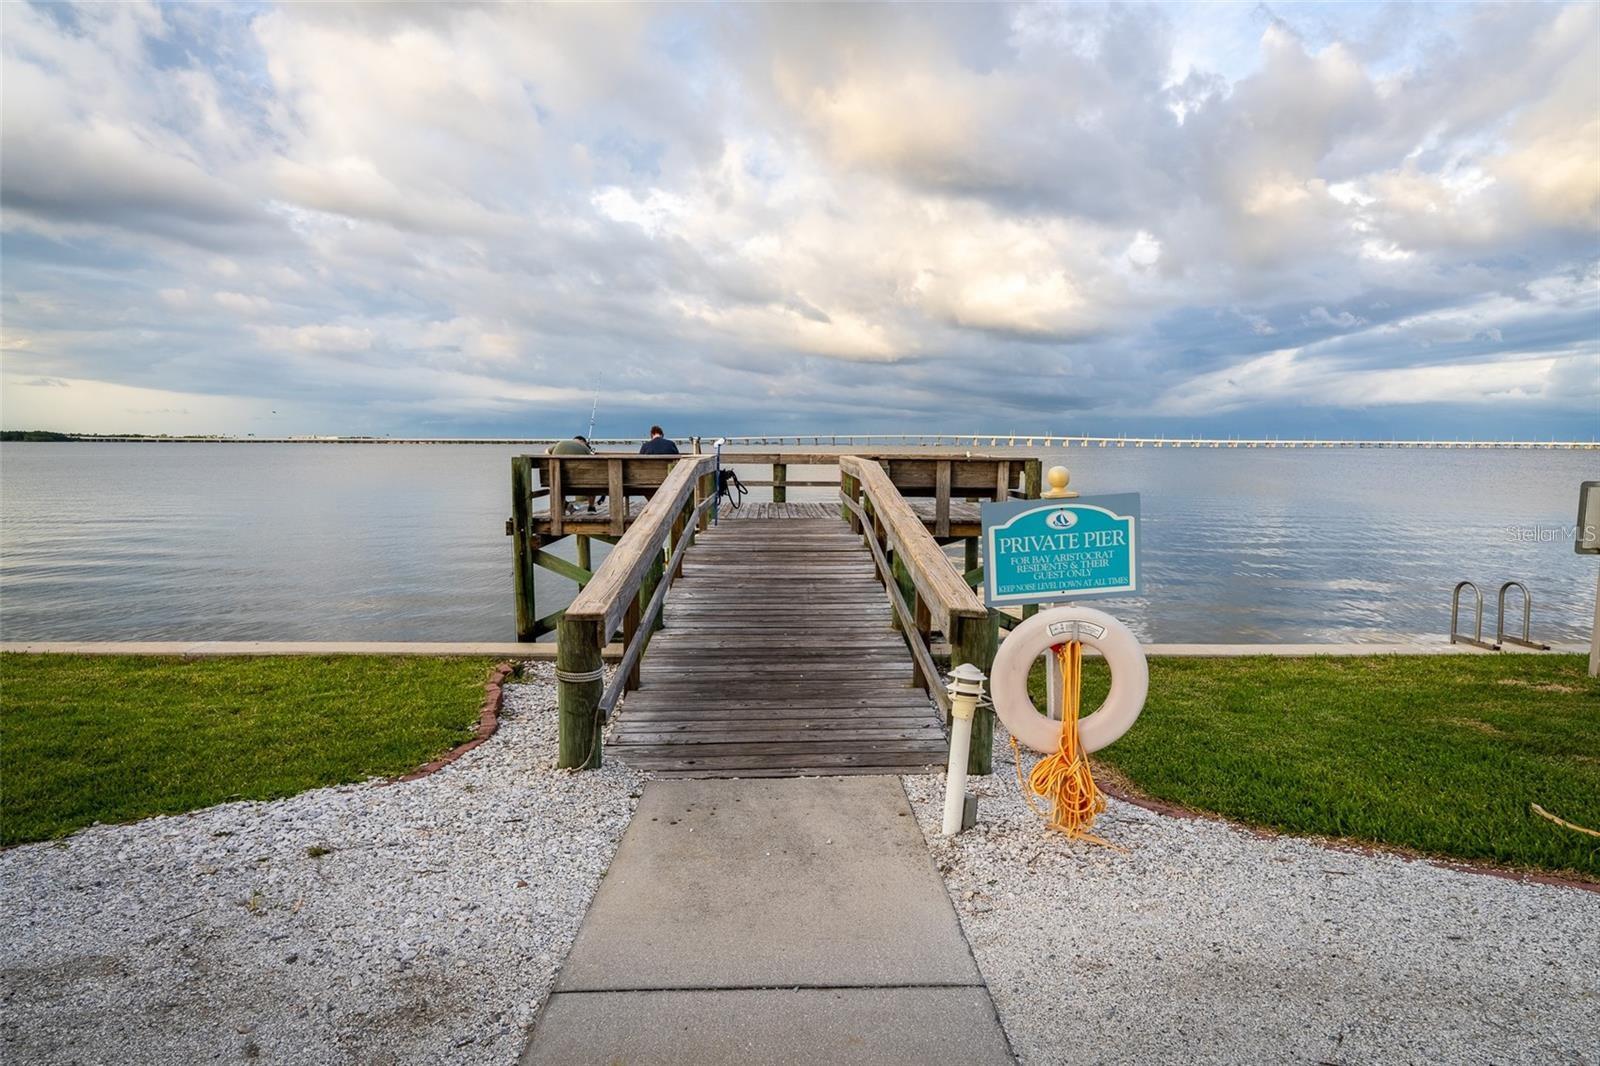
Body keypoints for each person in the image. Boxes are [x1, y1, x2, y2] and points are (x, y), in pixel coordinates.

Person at [546, 435, 596, 512]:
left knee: (558, 486)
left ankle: (565, 505)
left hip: (556, 480)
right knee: (593, 479)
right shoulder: (584, 447)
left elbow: (546, 451)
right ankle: (591, 507)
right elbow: (592, 462)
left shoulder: (561, 443)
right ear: (583, 442)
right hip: (578, 482)